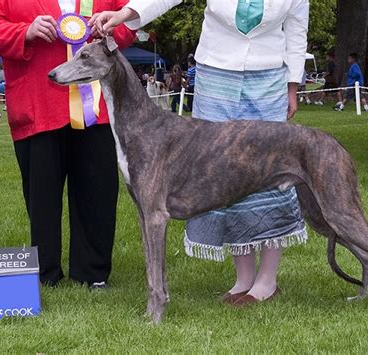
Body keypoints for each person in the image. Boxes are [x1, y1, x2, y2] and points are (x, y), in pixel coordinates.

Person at [91, 0, 309, 305]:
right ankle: (243, 278)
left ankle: (267, 281)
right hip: (216, 74)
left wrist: (292, 85)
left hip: (269, 76)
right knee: (223, 177)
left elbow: (298, 29)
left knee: (269, 177)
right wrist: (123, 15)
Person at [0, 0, 136, 288]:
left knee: (97, 191)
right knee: (41, 196)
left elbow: (131, 21)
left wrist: (110, 28)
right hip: (36, 103)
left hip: (96, 111)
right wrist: (24, 32)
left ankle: (93, 272)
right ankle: (44, 271)